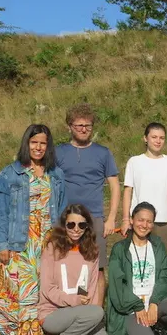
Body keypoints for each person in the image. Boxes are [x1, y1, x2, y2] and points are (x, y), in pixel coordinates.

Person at [0, 124, 66, 335]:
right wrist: (2, 243)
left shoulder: (56, 174)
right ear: (27, 144)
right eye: (34, 142)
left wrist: (60, 239)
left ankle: (45, 333)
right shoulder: (9, 174)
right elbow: (0, 212)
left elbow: (61, 210)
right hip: (20, 242)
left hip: (47, 241)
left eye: (43, 143)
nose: (39, 147)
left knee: (45, 288)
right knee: (21, 292)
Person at [56, 103, 120, 306]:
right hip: (65, 219)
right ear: (69, 126)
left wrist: (111, 219)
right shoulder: (58, 153)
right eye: (79, 125)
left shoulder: (103, 153)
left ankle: (96, 313)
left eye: (88, 125)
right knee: (67, 266)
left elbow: (115, 186)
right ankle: (69, 309)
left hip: (94, 218)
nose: (84, 129)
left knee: (97, 267)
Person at [106, 202, 167, 335]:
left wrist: (155, 302)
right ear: (132, 220)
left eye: (149, 221)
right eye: (140, 220)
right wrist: (137, 306)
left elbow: (166, 274)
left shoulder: (157, 245)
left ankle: (155, 324)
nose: (144, 225)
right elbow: (118, 284)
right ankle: (140, 329)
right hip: (131, 309)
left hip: (153, 303)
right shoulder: (120, 249)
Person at [39, 204, 113, 335]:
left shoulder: (91, 250)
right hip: (53, 313)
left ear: (87, 227)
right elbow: (48, 288)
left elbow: (90, 286)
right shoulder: (52, 248)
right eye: (71, 224)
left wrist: (91, 315)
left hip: (82, 312)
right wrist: (76, 300)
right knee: (97, 312)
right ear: (64, 225)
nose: (76, 229)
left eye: (82, 225)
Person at [121, 122, 167, 253]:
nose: (158, 141)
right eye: (154, 137)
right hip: (138, 220)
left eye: (161, 138)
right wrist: (126, 219)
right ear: (145, 138)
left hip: (162, 221)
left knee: (160, 258)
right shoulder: (134, 162)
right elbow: (128, 191)